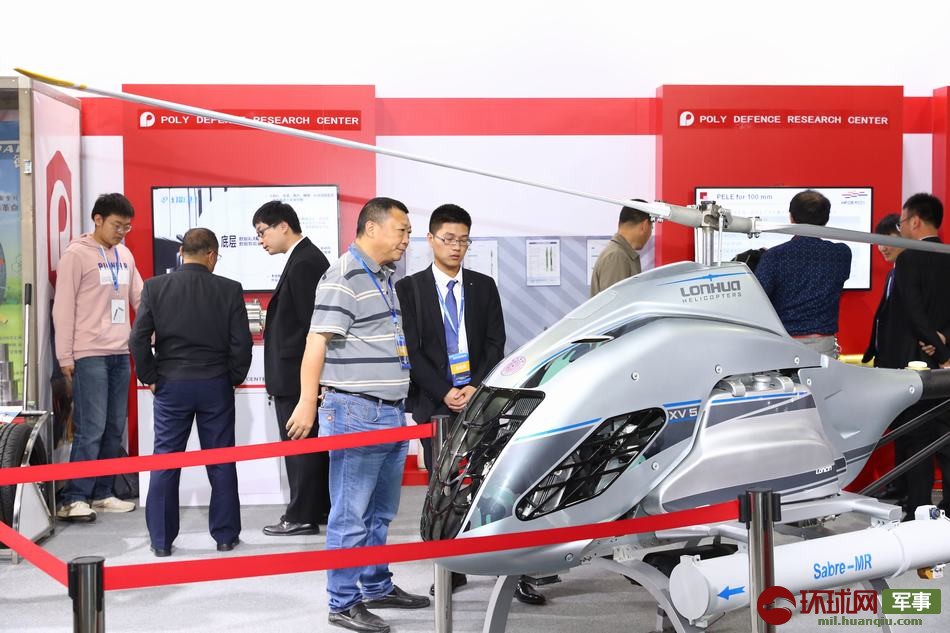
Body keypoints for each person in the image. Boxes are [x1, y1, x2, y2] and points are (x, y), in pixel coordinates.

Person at [286, 197, 429, 633]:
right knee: (351, 515)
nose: (406, 240)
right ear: (371, 228)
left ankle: (375, 584)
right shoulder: (344, 275)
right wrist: (307, 401)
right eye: (401, 230)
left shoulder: (383, 277)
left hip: (390, 412)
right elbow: (316, 342)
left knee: (380, 513)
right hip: (356, 411)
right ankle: (343, 602)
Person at [395, 204, 548, 605]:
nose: (456, 247)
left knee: (496, 485)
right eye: (449, 239)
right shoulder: (409, 289)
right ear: (430, 239)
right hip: (436, 403)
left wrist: (476, 387)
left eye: (463, 240)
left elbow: (496, 343)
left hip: (482, 401)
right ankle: (451, 569)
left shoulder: (483, 286)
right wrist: (444, 391)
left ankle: (510, 570)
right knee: (444, 490)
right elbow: (411, 350)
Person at [129, 228, 252, 557]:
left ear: (182, 253)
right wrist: (233, 378)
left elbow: (137, 339)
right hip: (215, 384)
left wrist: (151, 377)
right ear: (211, 254)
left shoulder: (155, 287)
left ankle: (161, 541)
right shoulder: (229, 289)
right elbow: (241, 342)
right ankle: (225, 537)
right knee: (221, 461)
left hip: (171, 384)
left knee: (166, 461)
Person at [53, 193, 143, 522]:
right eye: (117, 225)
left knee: (114, 427)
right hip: (88, 353)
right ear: (98, 220)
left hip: (120, 351)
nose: (122, 232)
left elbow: (140, 298)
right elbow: (63, 308)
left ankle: (103, 492)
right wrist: (65, 355)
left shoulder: (125, 255)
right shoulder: (76, 255)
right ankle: (73, 498)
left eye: (127, 227)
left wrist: (153, 335)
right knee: (91, 428)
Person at [253, 200, 332, 537]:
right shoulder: (303, 258)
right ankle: (318, 508)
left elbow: (313, 328)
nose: (261, 240)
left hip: (298, 377)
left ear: (283, 225)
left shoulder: (305, 263)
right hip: (295, 375)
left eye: (262, 232)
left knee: (301, 447)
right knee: (307, 448)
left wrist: (312, 384)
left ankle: (302, 514)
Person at [885, 193, 950, 517]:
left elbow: (913, 311)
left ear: (914, 221)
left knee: (918, 440)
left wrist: (935, 344)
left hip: (915, 364)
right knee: (946, 438)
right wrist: (944, 343)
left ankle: (919, 510)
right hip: (945, 363)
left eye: (902, 222)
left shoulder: (909, 258)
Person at [754, 190, 852, 357]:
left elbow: (758, 298)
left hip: (783, 344)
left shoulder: (774, 256)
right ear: (826, 219)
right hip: (824, 345)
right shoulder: (842, 253)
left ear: (791, 217)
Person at [862, 214, 904, 366]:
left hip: (902, 359)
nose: (882, 248)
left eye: (887, 241)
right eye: (880, 242)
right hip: (885, 357)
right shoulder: (892, 274)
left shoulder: (914, 274)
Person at [590, 200, 653, 296]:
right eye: (651, 228)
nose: (650, 233)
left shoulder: (620, 254)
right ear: (644, 226)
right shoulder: (617, 256)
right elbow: (615, 303)